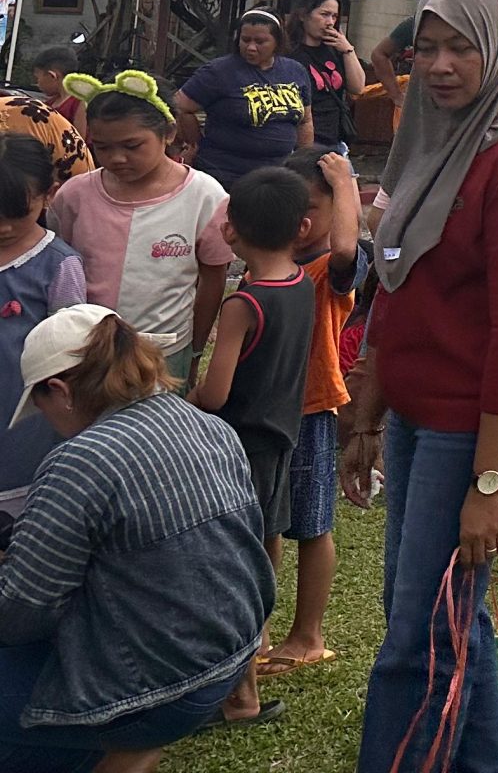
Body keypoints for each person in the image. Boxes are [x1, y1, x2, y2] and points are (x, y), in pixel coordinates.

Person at [341, 0, 498, 773]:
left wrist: (488, 486)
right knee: (439, 615)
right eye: (425, 48)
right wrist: (368, 408)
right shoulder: (432, 136)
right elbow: (397, 281)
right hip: (418, 402)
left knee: (419, 634)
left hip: (478, 416)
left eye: (461, 48)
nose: (438, 66)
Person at [0, 307, 273, 768]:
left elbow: (20, 617)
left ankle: (116, 741)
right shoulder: (209, 427)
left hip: (152, 689)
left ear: (61, 392)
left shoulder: (80, 461)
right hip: (226, 665)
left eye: (41, 406)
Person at [187, 163, 314, 724]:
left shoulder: (245, 303)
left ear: (231, 231)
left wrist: (173, 398)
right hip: (282, 437)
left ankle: (241, 695)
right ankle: (257, 642)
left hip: (237, 450)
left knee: (232, 567)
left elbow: (215, 395)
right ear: (301, 229)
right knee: (264, 545)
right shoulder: (300, 283)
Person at [49, 83, 231, 381]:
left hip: (163, 352)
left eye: (132, 146)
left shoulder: (204, 197)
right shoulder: (74, 196)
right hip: (86, 350)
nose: (117, 158)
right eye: (103, 147)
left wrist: (196, 351)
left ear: (169, 133)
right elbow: (58, 265)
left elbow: (213, 278)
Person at [264, 147, 360, 675]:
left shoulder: (328, 270)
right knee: (265, 527)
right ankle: (259, 631)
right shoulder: (264, 265)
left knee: (313, 526)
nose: (300, 223)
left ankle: (308, 635)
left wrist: (345, 181)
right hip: (261, 416)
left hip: (311, 411)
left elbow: (346, 247)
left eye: (313, 210)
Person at [0, 134, 86, 528]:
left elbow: (69, 348)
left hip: (23, 414)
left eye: (17, 211)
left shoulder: (59, 265)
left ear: (49, 195)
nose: (3, 225)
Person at [174, 9, 314, 188]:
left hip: (278, 176)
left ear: (277, 42)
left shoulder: (295, 71)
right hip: (226, 175)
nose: (251, 47)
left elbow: (305, 121)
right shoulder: (218, 72)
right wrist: (196, 142)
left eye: (260, 41)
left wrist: (304, 162)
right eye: (245, 40)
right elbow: (180, 106)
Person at [279, 0, 367, 158]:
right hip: (305, 141)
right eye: (324, 14)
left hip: (335, 140)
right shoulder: (289, 54)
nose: (330, 22)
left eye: (335, 16)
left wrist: (348, 50)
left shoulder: (335, 49)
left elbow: (358, 88)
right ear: (303, 15)